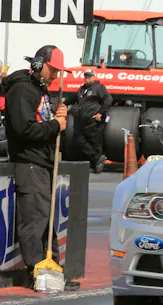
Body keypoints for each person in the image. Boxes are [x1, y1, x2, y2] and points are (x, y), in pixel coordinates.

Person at [1, 45, 79, 290]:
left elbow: (41, 121)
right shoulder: (22, 90)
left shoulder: (39, 88)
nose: (55, 75)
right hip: (30, 163)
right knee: (34, 222)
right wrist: (55, 125)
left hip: (42, 163)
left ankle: (52, 268)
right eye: (52, 70)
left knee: (46, 220)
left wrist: (57, 115)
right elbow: (23, 129)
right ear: (37, 64)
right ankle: (38, 272)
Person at [64, 68, 112, 173]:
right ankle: (97, 159)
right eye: (85, 76)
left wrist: (100, 113)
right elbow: (73, 98)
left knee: (95, 142)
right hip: (83, 121)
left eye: (89, 76)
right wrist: (64, 104)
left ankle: (96, 165)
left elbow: (108, 100)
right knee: (79, 140)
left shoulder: (99, 88)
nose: (87, 78)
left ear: (94, 77)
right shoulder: (82, 89)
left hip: (94, 121)